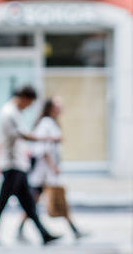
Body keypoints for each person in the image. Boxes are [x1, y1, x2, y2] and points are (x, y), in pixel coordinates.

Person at [0, 86, 60, 246]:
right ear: (24, 98)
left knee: (28, 203)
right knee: (3, 202)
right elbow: (24, 135)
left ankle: (44, 234)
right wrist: (47, 139)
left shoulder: (14, 112)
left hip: (18, 165)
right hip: (12, 165)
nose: (29, 107)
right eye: (30, 103)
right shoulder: (9, 113)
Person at [19, 97, 86, 240]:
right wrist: (53, 166)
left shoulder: (51, 123)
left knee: (34, 201)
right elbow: (43, 149)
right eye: (57, 105)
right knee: (51, 200)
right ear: (50, 108)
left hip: (45, 173)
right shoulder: (46, 124)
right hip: (44, 172)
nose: (61, 108)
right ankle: (73, 229)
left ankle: (73, 229)